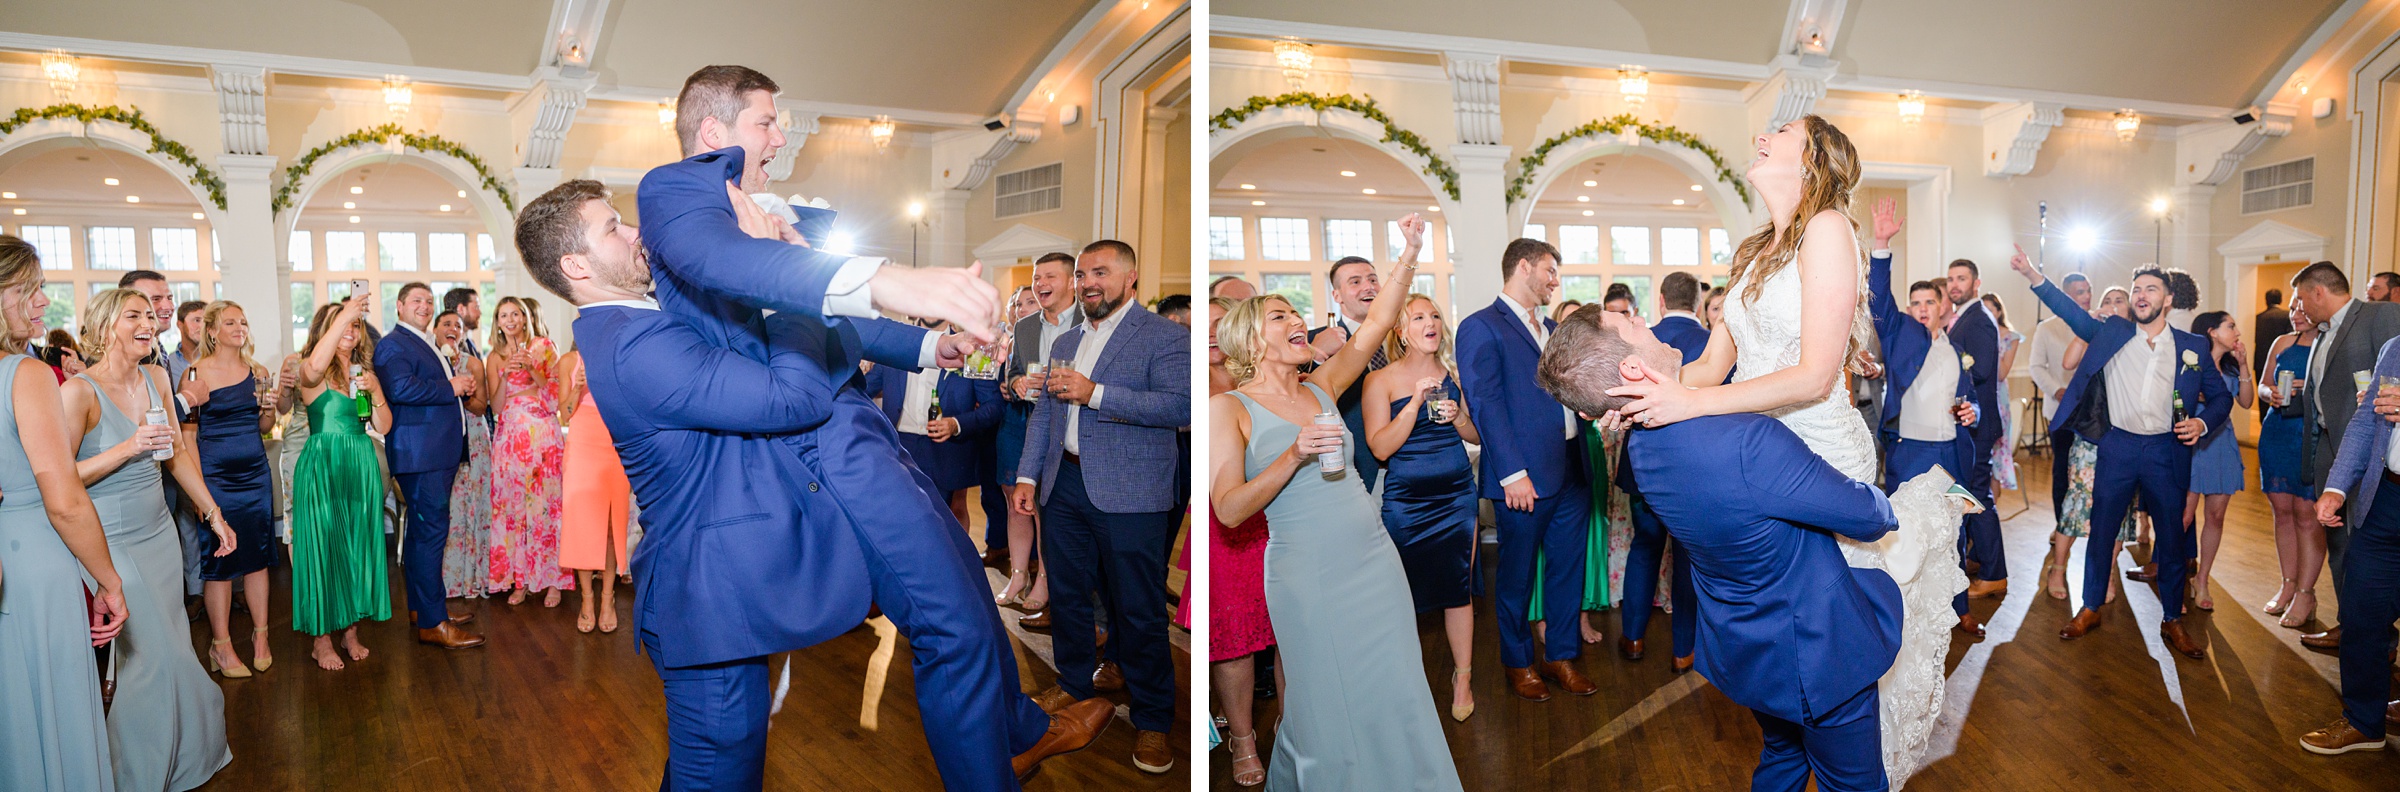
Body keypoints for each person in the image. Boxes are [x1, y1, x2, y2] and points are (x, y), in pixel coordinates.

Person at [526, 173, 1104, 789]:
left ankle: (1013, 729)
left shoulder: (645, 315)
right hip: (707, 597)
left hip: (731, 581)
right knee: (717, 771)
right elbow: (792, 398)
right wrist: (785, 286)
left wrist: (923, 341)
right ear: (575, 265)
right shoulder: (629, 345)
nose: (636, 232)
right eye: (613, 227)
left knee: (721, 766)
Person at [653, 62, 1106, 785]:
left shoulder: (769, 216)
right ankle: (1002, 753)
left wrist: (933, 344)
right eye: (767, 120)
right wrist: (898, 278)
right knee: (951, 624)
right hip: (825, 440)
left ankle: (1018, 725)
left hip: (854, 430)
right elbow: (738, 268)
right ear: (714, 132)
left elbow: (826, 319)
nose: (782, 133)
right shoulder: (678, 193)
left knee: (963, 575)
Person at [1606, 115, 1963, 787]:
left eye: (1785, 128)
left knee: (1826, 637)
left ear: (1813, 159)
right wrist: (1639, 394)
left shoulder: (1827, 227)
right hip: (1755, 452)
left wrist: (1691, 404)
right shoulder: (1754, 249)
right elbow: (1711, 370)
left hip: (1819, 452)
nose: (1764, 132)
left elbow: (1815, 376)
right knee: (1785, 662)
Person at [1541, 305, 1914, 792]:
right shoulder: (1744, 440)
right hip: (1815, 648)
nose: (1649, 324)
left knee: (1783, 756)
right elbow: (1870, 518)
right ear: (1633, 370)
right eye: (1636, 326)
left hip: (1747, 641)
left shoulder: (1640, 446)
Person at [1211, 214, 1461, 790]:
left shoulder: (1322, 385)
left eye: (1297, 313)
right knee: (1325, 691)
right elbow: (1228, 508)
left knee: (1395, 679)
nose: (1299, 321)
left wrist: (1412, 250)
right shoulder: (1230, 410)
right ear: (1251, 339)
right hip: (1307, 570)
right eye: (1282, 317)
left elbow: (1376, 322)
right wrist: (1292, 453)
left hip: (1373, 557)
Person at [1012, 239, 1190, 773]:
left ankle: (1154, 718)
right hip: (1063, 485)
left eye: (1103, 273)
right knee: (1066, 595)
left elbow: (1180, 407)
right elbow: (1044, 411)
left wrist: (1096, 394)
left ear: (1131, 277)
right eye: (1084, 273)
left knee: (1136, 608)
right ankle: (1071, 683)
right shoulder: (1066, 337)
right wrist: (1026, 474)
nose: (1091, 282)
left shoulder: (1162, 335)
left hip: (1131, 492)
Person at [2016, 251, 2231, 659]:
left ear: (2168, 299)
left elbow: (2220, 398)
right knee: (2101, 533)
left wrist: (2201, 424)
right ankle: (2091, 606)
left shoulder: (2192, 347)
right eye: (2136, 289)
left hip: (2166, 450)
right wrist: (2031, 273)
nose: (2141, 294)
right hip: (2117, 446)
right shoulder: (2112, 332)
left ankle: (2172, 618)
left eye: (2151, 288)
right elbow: (2067, 309)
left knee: (2170, 538)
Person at [63, 288, 236, 789]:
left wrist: (212, 514)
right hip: (110, 539)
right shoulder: (78, 392)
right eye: (134, 316)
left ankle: (185, 760)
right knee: (150, 661)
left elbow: (177, 454)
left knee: (175, 647)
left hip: (159, 532)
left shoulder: (156, 377)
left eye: (151, 316)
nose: (150, 324)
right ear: (104, 325)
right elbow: (62, 476)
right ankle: (131, 776)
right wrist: (128, 446)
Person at [0, 236, 129, 791]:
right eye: (29, 289)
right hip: (32, 571)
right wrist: (109, 581)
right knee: (53, 713)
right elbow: (65, 497)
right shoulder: (23, 374)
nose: (42, 302)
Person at [1456, 236, 1597, 702]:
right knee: (1515, 577)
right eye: (1550, 271)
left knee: (1566, 571)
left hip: (1571, 470)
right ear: (1523, 267)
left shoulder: (1554, 327)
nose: (1556, 280)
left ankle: (1560, 656)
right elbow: (1486, 403)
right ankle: (1518, 662)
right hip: (1524, 479)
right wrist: (1511, 473)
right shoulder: (1481, 326)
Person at [1862, 206, 1983, 635]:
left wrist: (1974, 411)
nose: (1921, 307)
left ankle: (1959, 607)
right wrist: (1882, 245)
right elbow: (1880, 297)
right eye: (1915, 303)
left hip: (1951, 449)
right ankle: (1904, 607)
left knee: (1955, 530)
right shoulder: (1901, 335)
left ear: (1944, 305)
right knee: (1906, 531)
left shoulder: (1957, 346)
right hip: (1910, 450)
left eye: (1929, 301)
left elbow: (1970, 397)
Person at [1362, 291, 1481, 722]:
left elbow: (1475, 437)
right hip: (1406, 503)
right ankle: (1404, 682)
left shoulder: (1454, 374)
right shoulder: (1380, 381)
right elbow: (1379, 448)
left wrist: (1458, 418)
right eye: (1418, 317)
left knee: (1457, 588)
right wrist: (1413, 403)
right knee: (1400, 593)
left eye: (1434, 315)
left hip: (1456, 497)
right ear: (1401, 331)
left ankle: (1463, 677)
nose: (1430, 322)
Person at [2300, 328, 2400, 754]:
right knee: (2362, 614)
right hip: (2387, 499)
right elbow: (2366, 422)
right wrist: (2337, 487)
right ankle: (2364, 719)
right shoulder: (2396, 347)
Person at [2292, 260, 2400, 652]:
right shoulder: (2322, 333)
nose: (2300, 308)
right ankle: (2349, 626)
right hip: (2333, 449)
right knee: (2340, 546)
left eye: (2303, 298)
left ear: (2319, 292)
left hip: (2373, 452)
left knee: (2368, 551)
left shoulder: (2379, 315)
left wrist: (2375, 397)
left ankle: (2378, 639)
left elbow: (2393, 370)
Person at [372, 281, 485, 649]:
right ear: (400, 306)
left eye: (429, 301)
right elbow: (401, 389)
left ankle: (424, 610)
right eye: (416, 300)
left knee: (425, 536)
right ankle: (434, 623)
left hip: (433, 453)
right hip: (422, 455)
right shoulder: (392, 344)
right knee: (431, 534)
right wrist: (450, 387)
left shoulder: (422, 342)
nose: (424, 306)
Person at [288, 299, 394, 671]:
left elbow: (379, 425)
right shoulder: (309, 370)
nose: (351, 331)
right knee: (323, 549)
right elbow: (316, 366)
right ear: (325, 330)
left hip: (360, 465)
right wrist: (347, 312)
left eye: (356, 325)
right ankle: (321, 640)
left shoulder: (361, 374)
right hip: (323, 465)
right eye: (343, 325)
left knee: (355, 548)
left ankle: (350, 632)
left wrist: (375, 390)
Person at [182, 300, 282, 677]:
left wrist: (268, 409)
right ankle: (221, 645)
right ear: (211, 331)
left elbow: (265, 426)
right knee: (219, 562)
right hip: (215, 478)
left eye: (243, 321)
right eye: (229, 322)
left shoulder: (256, 371)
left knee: (257, 557)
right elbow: (187, 438)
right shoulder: (195, 373)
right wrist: (199, 492)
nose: (239, 327)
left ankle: (261, 636)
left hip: (255, 473)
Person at [1617, 271, 1707, 670]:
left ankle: (1633, 637)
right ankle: (1683, 650)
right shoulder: (1711, 343)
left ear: (1661, 300)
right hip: (1693, 470)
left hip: (1644, 465)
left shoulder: (1639, 340)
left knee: (1644, 547)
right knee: (1687, 558)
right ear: (1699, 303)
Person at [1206, 296, 1276, 787]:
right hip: (1224, 525)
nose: (1211, 334)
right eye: (1204, 326)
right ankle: (1243, 739)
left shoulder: (1268, 380)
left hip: (1280, 519)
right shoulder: (1194, 384)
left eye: (1221, 325)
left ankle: (1293, 726)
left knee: (1290, 631)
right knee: (1235, 637)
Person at [2046, 286, 2135, 602]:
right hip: (2090, 432)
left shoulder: (2138, 339)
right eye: (2106, 301)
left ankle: (2106, 573)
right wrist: (2088, 326)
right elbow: (2069, 362)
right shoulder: (2093, 335)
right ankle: (2059, 567)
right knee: (2077, 503)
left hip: (2126, 435)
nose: (2112, 305)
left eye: (2118, 300)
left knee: (2117, 510)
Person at [1000, 253, 1077, 617]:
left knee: (1049, 509)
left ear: (1072, 281)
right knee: (1017, 502)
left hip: (1069, 428)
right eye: (1036, 277)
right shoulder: (1024, 327)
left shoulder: (1087, 324)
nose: (1040, 283)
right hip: (1023, 422)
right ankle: (1018, 575)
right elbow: (1011, 373)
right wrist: (1017, 383)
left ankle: (1045, 578)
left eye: (1049, 276)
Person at [483, 296, 571, 607]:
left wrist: (533, 369)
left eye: (515, 314)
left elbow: (554, 398)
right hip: (510, 437)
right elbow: (495, 407)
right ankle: (520, 580)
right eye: (503, 315)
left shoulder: (544, 346)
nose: (509, 320)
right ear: (498, 321)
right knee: (514, 507)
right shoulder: (493, 357)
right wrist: (507, 372)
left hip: (542, 436)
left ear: (524, 318)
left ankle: (553, 581)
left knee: (546, 505)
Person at [877, 324, 1003, 528]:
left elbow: (994, 406)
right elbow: (864, 387)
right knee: (900, 518)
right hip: (900, 446)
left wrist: (956, 424)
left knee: (946, 523)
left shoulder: (970, 347)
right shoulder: (897, 344)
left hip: (947, 448)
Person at [2258, 307, 2325, 627]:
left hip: (2310, 435)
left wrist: (2308, 389)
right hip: (2277, 432)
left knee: (2307, 515)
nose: (2295, 312)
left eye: (2302, 305)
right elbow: (2262, 384)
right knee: (2282, 511)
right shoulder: (2283, 342)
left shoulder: (2330, 343)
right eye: (2293, 305)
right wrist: (2268, 393)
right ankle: (2287, 584)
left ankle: (2306, 592)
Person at [559, 344, 632, 634]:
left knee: (612, 527)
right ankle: (587, 599)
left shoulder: (618, 355)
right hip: (582, 443)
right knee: (583, 526)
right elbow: (565, 413)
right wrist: (578, 388)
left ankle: (608, 599)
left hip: (614, 442)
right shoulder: (569, 361)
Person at [2184, 312, 2254, 615]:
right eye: (2231, 326)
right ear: (2212, 332)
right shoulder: (2189, 363)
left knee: (2216, 516)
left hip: (2221, 444)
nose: (2237, 331)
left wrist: (2243, 364)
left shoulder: (2228, 367)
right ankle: (2173, 579)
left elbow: (2248, 402)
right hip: (2189, 444)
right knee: (2182, 516)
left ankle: (2202, 580)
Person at [1304, 255, 1387, 486]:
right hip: (1353, 468)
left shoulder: (1402, 338)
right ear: (1337, 295)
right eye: (1355, 282)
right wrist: (1317, 355)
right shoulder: (1314, 341)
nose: (1368, 287)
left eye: (1373, 279)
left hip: (1408, 464)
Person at [2030, 273, 2092, 527]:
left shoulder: (2098, 324)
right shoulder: (2047, 328)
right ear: (2065, 296)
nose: (2087, 297)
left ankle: (2092, 523)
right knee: (2063, 470)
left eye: (2088, 291)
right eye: (2080, 292)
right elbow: (2035, 367)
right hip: (2060, 410)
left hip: (2094, 411)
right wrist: (2057, 390)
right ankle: (2062, 524)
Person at [1981, 293, 2025, 493]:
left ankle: (1993, 506)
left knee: (1995, 457)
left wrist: (1990, 345)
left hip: (1999, 398)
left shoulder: (2010, 337)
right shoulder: (1977, 332)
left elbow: (2002, 373)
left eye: (1991, 309)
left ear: (1999, 311)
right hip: (1980, 395)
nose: (1988, 313)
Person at [2257, 288, 2294, 376]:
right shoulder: (2287, 316)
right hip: (2282, 358)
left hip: (2260, 360)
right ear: (2280, 300)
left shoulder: (2258, 318)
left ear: (2266, 300)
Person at [444, 287, 486, 359]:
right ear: (461, 309)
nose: (480, 313)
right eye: (476, 307)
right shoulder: (448, 346)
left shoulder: (469, 342)